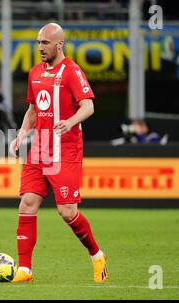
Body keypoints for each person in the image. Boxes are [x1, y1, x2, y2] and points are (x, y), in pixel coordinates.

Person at [9, 23, 108, 283]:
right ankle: (25, 270)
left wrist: (71, 121)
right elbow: (32, 110)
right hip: (39, 147)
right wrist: (21, 133)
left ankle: (97, 255)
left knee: (66, 211)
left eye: (45, 43)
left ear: (59, 44)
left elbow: (88, 107)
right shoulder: (35, 73)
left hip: (65, 150)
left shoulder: (72, 72)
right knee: (27, 203)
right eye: (38, 42)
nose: (40, 47)